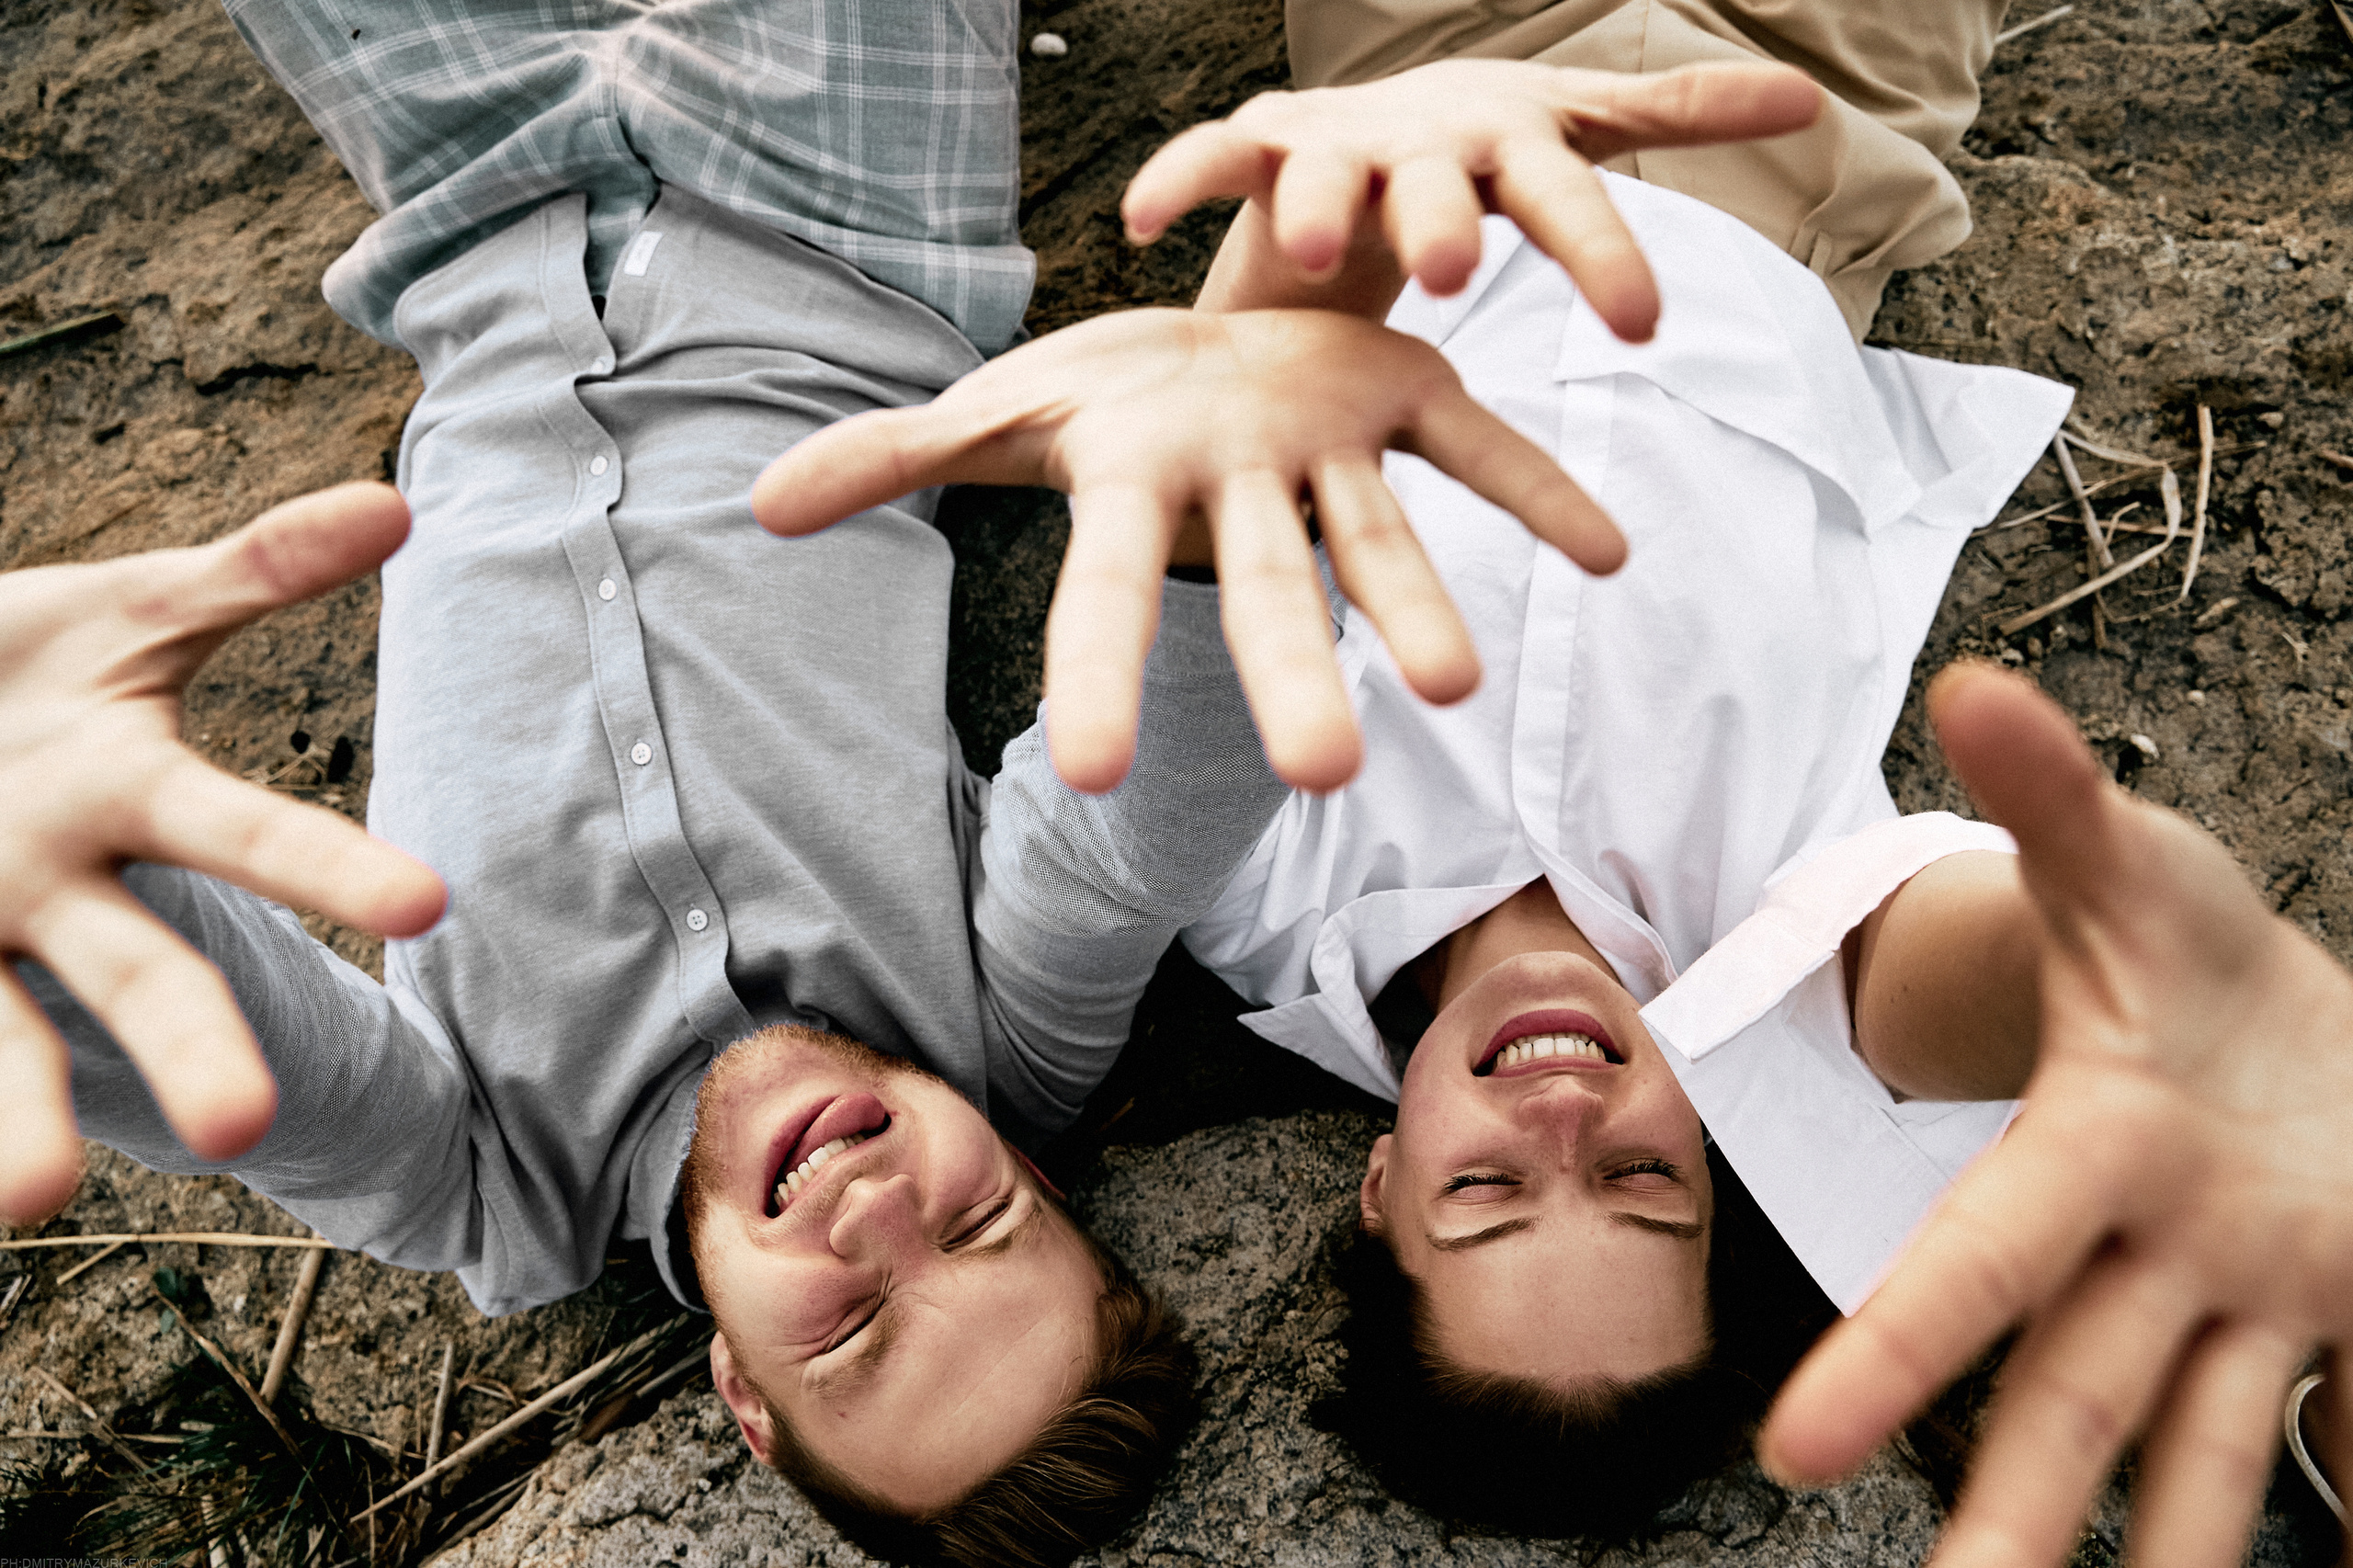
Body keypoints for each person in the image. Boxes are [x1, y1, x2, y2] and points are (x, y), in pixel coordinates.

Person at [0, 3, 1814, 1562]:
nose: (880, 1209)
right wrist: (1219, 485)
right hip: (848, 209)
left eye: (852, 1327)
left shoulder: (488, 1189)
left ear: (742, 1394)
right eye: (982, 1219)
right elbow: (1136, 834)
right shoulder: (995, 1041)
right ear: (1033, 1168)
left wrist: (34, 863)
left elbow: (209, 1049)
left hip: (465, 215)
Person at [755, 16, 2353, 1568]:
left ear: (1381, 1186)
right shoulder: (1782, 966)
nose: (1566, 1117)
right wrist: (2146, 974)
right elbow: (1973, 979)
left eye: (1487, 1189)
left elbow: (1233, 435)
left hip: (1418, 88)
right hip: (1802, 116)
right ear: (1715, 1177)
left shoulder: (1245, 882)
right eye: (1643, 1182)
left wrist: (1357, 198)